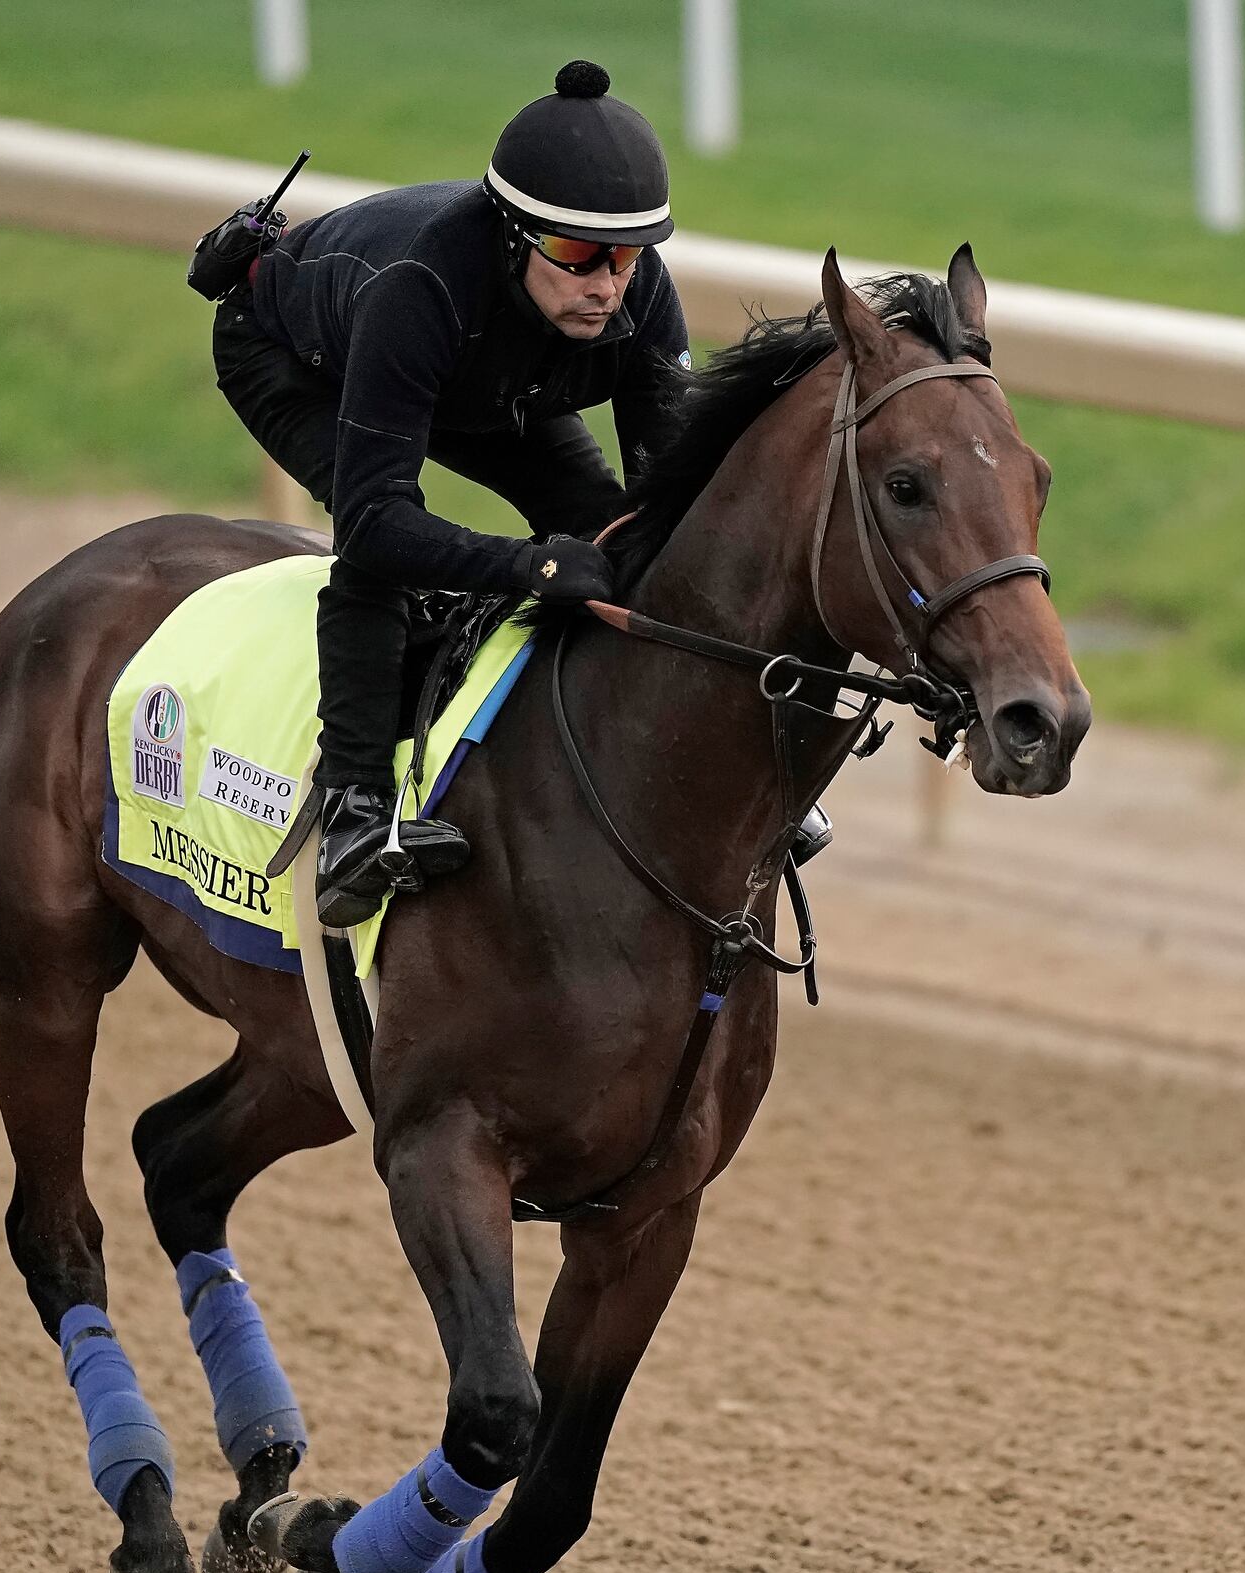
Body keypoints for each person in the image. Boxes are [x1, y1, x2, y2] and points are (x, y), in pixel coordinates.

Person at [211, 59, 823, 929]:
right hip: (303, 360)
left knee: (615, 531)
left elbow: (671, 512)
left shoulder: (637, 298)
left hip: (489, 377)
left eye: (627, 256)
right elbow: (380, 525)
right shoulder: (417, 288)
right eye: (576, 255)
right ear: (513, 234)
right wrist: (530, 566)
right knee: (385, 561)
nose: (607, 285)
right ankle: (352, 807)